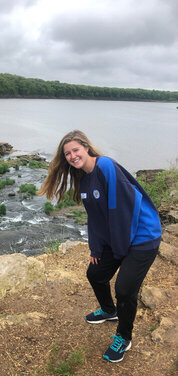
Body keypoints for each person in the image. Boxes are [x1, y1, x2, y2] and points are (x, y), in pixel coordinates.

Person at [37, 130, 161, 363]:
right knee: (95, 273)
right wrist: (96, 249)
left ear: (86, 147)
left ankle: (124, 337)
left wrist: (120, 252)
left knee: (124, 289)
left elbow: (121, 211)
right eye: (67, 154)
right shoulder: (84, 181)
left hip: (143, 235)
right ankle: (109, 310)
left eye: (75, 150)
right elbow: (95, 219)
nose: (72, 156)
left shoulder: (105, 166)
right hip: (121, 237)